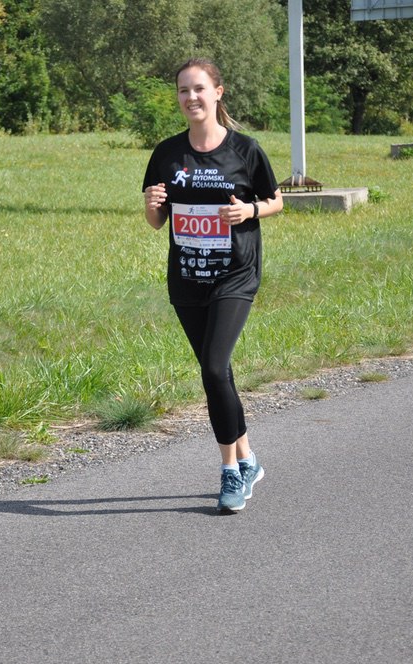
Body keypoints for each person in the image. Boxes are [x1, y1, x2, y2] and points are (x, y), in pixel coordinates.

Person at [142, 58, 283, 512]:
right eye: (183, 90)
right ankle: (249, 459)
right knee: (217, 372)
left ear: (217, 92)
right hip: (187, 278)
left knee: (213, 368)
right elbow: (156, 221)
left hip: (235, 274)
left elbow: (276, 200)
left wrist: (249, 211)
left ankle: (229, 472)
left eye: (199, 88)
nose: (191, 97)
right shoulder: (167, 153)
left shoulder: (245, 149)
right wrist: (151, 204)